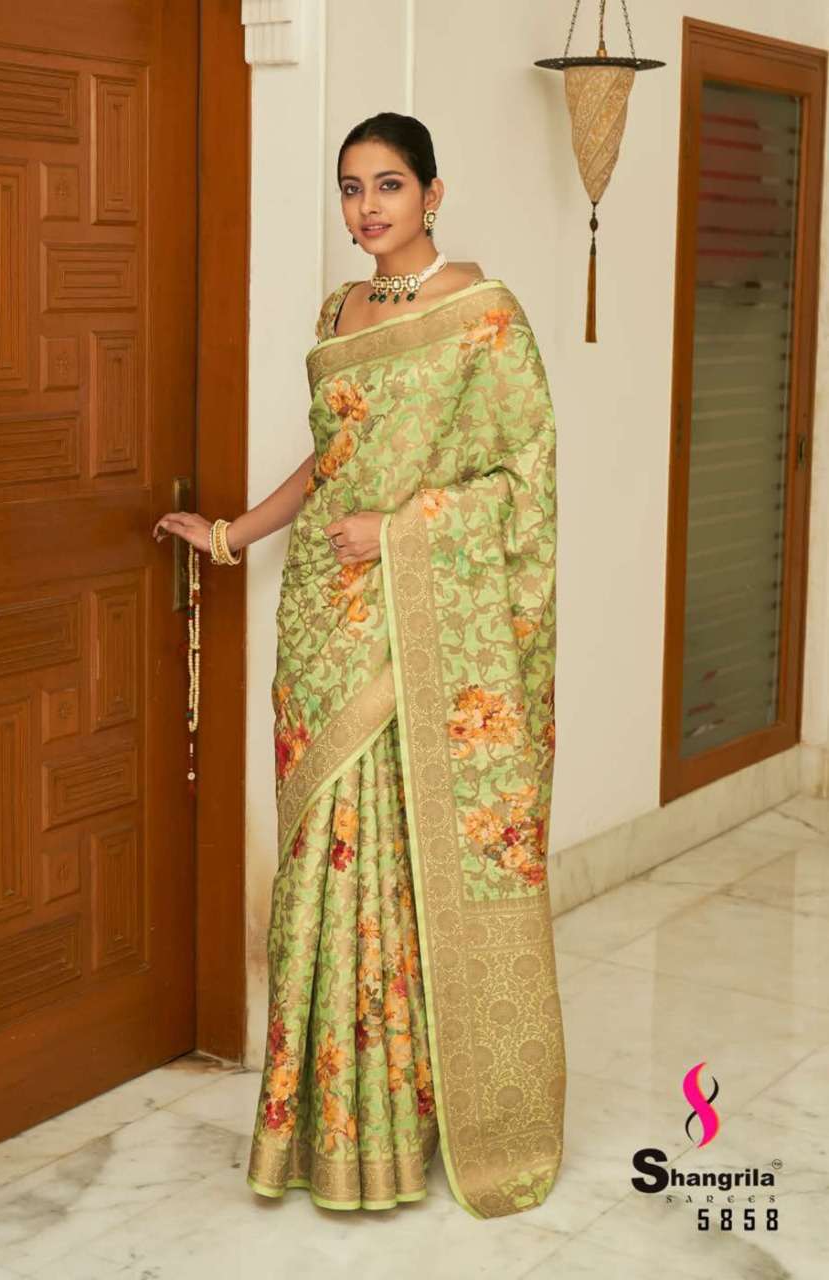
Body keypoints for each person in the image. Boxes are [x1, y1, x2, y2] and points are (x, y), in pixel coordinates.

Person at [153, 111, 566, 1220]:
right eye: (350, 187)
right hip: (322, 620)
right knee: (321, 865)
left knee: (396, 853)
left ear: (432, 193)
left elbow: (523, 479)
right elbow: (332, 458)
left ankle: (405, 1120)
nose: (367, 207)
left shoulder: (482, 313)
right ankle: (322, 1125)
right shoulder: (340, 310)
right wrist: (234, 533)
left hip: (411, 612)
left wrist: (398, 530)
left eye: (388, 184)